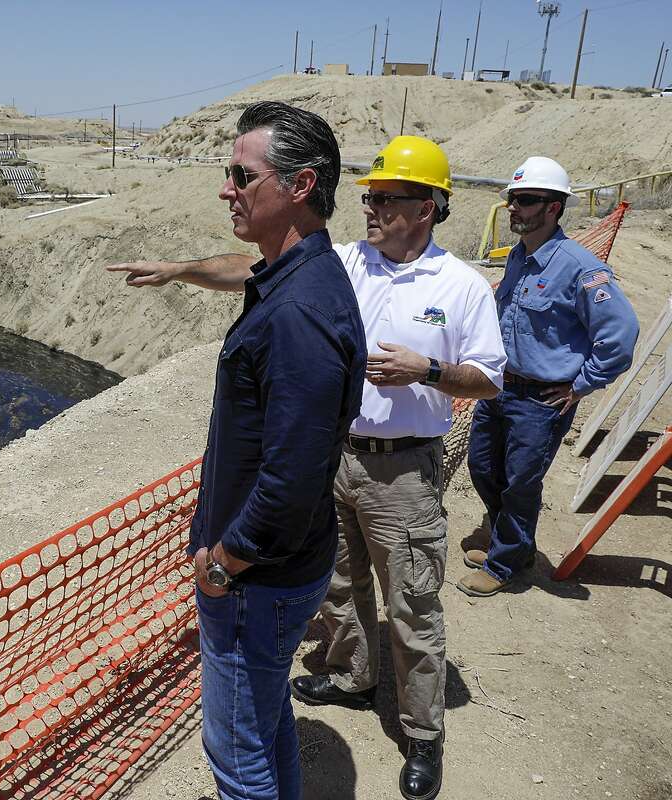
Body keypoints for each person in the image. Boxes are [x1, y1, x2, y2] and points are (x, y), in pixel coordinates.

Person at [107, 135, 506, 800]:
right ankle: (351, 676)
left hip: (403, 470)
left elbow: (490, 380)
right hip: (337, 457)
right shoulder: (344, 264)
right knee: (342, 589)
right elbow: (249, 269)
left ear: (429, 208)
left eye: (387, 199)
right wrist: (181, 269)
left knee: (410, 604)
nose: (371, 208)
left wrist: (428, 370)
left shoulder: (459, 286)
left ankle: (422, 734)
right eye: (368, 197)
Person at [178, 101, 366, 800]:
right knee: (264, 722)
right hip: (283, 570)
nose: (227, 188)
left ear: (300, 185)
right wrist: (178, 270)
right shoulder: (294, 276)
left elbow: (289, 480)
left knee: (236, 752)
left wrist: (225, 563)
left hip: (257, 579)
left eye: (241, 174)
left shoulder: (300, 313)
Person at [461, 156, 639, 597]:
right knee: (484, 468)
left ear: (553, 207)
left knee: (521, 483)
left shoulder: (581, 268)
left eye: (524, 200)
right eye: (512, 200)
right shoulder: (520, 257)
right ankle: (512, 543)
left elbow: (620, 336)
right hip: (499, 388)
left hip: (541, 400)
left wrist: (581, 385)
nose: (513, 208)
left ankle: (505, 564)